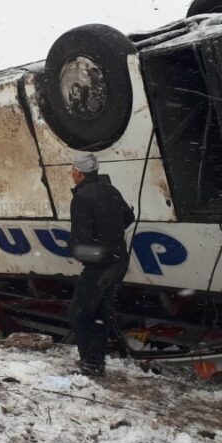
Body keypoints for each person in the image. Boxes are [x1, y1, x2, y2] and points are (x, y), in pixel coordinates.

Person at [68, 152, 135, 377]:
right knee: (101, 311)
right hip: (118, 260)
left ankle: (91, 363)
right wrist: (110, 237)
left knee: (81, 312)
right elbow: (128, 218)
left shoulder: (82, 198)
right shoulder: (111, 190)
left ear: (79, 173)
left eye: (73, 170)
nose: (72, 174)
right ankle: (97, 361)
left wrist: (81, 252)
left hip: (100, 264)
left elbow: (82, 239)